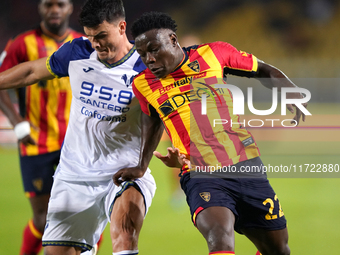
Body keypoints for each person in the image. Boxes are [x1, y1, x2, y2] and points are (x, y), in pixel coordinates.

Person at [128, 12, 309, 255]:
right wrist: (141, 165)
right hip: (200, 174)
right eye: (142, 54)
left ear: (172, 39)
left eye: (154, 49)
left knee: (278, 249)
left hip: (246, 166)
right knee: (220, 239)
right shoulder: (143, 83)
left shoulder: (214, 54)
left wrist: (290, 91)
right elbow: (152, 121)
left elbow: (264, 69)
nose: (149, 59)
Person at [0, 0, 164, 254]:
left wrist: (142, 165)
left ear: (122, 27)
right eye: (90, 36)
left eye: (101, 35)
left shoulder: (145, 68)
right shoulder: (77, 52)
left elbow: (156, 118)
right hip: (74, 174)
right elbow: (31, 72)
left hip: (123, 171)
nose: (96, 43)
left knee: (125, 232)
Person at [0, 1, 85, 254]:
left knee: (87, 211)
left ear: (70, 8)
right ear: (41, 8)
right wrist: (17, 123)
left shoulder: (83, 42)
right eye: (49, 4)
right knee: (42, 218)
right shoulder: (21, 44)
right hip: (37, 142)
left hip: (76, 143)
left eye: (60, 4)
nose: (54, 10)